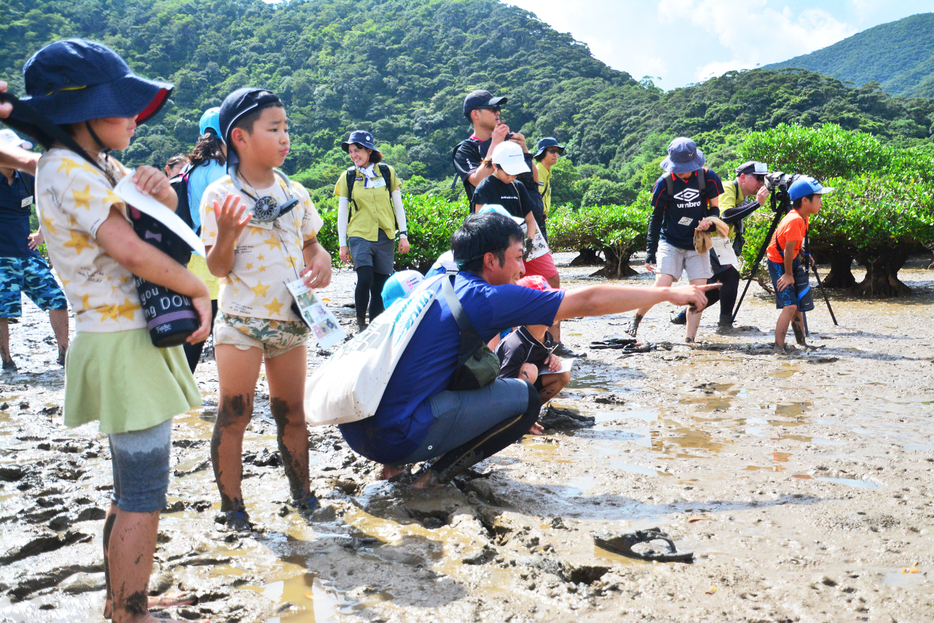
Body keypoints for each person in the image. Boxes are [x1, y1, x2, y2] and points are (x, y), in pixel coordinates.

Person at [23, 39, 211, 623]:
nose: (134, 117)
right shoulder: (67, 168)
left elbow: (152, 219)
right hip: (123, 342)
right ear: (81, 114)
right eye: (120, 106)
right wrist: (197, 289)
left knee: (129, 487)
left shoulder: (92, 165)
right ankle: (131, 612)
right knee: (143, 495)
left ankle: (121, 600)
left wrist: (164, 190)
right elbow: (129, 250)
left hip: (117, 337)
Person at [338, 211, 716, 489]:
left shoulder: (435, 283)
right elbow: (587, 301)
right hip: (395, 437)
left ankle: (395, 468)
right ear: (491, 260)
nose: (522, 267)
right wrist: (667, 292)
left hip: (358, 430)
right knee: (524, 399)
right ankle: (432, 479)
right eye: (518, 256)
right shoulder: (486, 296)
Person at [202, 87, 332, 530]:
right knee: (234, 413)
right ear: (239, 137)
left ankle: (303, 496)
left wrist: (322, 261)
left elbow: (314, 246)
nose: (284, 137)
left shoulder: (295, 191)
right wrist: (224, 234)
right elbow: (218, 267)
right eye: (273, 129)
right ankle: (232, 507)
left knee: (292, 413)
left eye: (286, 129)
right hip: (241, 322)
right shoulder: (221, 195)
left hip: (292, 322)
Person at [628, 137, 723, 343]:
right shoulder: (664, 183)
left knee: (698, 292)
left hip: (697, 243)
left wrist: (709, 222)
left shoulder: (708, 178)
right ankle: (636, 318)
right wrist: (650, 252)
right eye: (677, 167)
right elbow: (656, 218)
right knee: (662, 284)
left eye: (684, 167)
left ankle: (690, 340)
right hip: (670, 240)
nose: (679, 171)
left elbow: (715, 210)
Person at [0, 130, 70, 371]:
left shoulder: (28, 178)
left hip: (27, 253)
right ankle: (7, 360)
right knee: (2, 309)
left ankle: (64, 354)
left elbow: (49, 204)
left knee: (57, 299)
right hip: (1, 257)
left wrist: (41, 233)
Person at [672, 160, 770, 329]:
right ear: (743, 177)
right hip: (706, 238)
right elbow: (725, 216)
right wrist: (756, 204)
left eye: (764, 179)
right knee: (730, 277)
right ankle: (725, 324)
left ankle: (682, 317)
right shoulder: (727, 188)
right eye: (758, 178)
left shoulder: (743, 196)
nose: (762, 183)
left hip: (719, 241)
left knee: (717, 287)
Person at [334, 130, 409, 331]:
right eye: (350, 151)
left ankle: (374, 327)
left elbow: (398, 205)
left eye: (357, 150)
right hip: (359, 234)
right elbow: (342, 212)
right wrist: (343, 244)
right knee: (365, 277)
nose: (353, 155)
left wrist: (404, 235)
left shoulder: (386, 172)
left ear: (369, 150)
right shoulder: (348, 176)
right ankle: (360, 322)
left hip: (385, 235)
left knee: (379, 286)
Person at [181, 106, 227, 372]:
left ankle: (181, 386)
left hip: (192, 253)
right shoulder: (218, 167)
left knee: (198, 326)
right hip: (212, 254)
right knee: (214, 325)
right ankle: (183, 385)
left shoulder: (191, 166)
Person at [767, 176, 832, 349]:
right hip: (779, 262)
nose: (821, 202)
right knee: (790, 306)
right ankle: (778, 348)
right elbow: (787, 250)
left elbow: (792, 244)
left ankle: (801, 343)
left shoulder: (803, 216)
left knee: (798, 306)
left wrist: (802, 252)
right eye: (818, 198)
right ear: (805, 200)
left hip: (789, 258)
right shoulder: (795, 219)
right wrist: (788, 275)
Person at [494, 275, 571, 413]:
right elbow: (502, 387)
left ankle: (532, 412)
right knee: (529, 371)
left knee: (563, 374)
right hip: (501, 396)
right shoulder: (516, 344)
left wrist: (551, 358)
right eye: (547, 304)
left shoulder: (546, 337)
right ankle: (516, 417)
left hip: (524, 388)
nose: (555, 308)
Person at [533, 137, 564, 217]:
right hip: (535, 219)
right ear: (543, 153)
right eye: (552, 151)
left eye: (557, 151)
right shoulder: (536, 172)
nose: (556, 154)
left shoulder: (547, 173)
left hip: (542, 220)